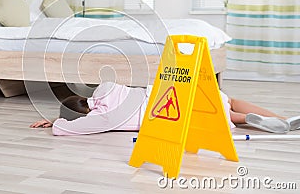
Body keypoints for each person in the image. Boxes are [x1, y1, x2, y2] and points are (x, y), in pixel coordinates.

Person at [30, 82, 300, 135]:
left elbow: (67, 129)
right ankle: (280, 118)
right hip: (171, 94)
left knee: (226, 114)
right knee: (226, 99)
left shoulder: (102, 119)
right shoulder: (106, 89)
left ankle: (244, 120)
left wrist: (57, 121)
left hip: (168, 114)